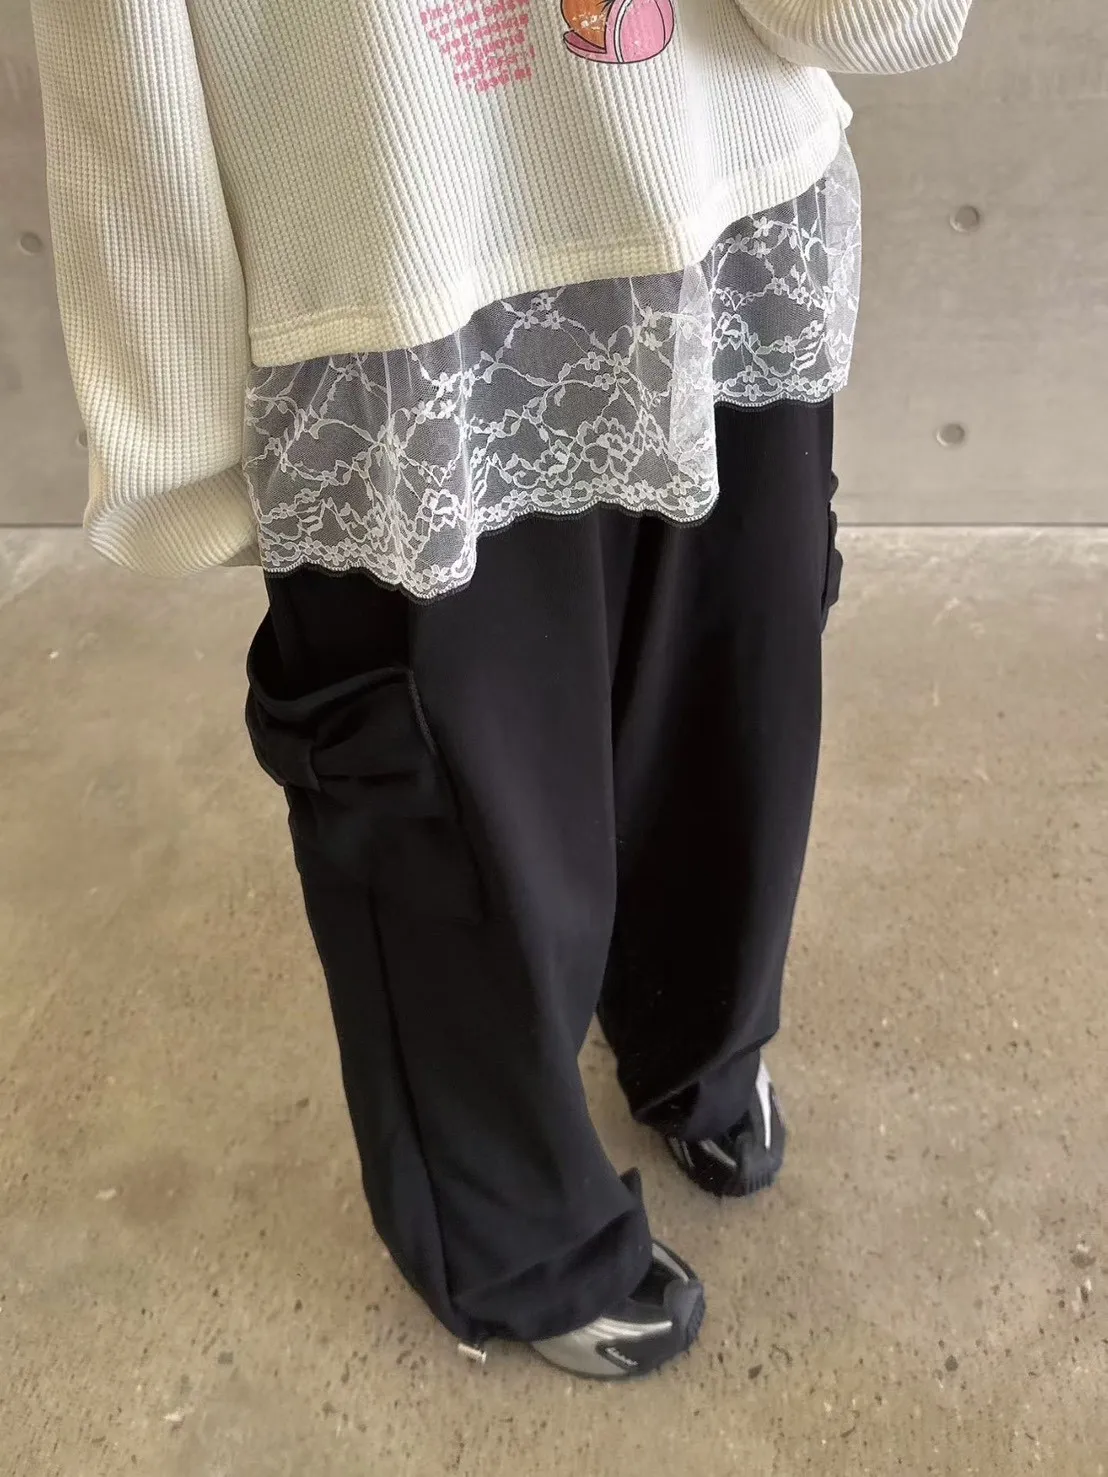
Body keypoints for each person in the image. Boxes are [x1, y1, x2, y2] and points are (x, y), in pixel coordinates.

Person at [33, 0, 973, 1380]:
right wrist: (171, 410)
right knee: (452, 798)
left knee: (735, 681)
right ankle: (517, 1239)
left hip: (721, 178)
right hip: (399, 257)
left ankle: (699, 1037)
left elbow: (885, 20)